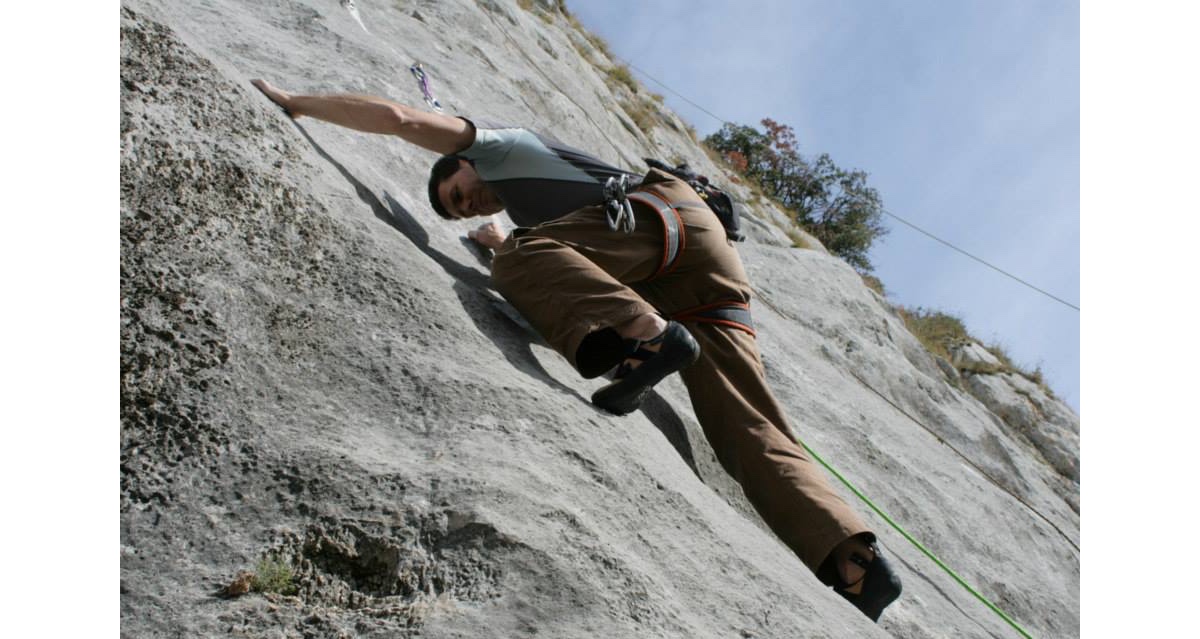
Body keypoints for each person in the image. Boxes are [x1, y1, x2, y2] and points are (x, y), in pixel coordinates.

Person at [250, 79, 902, 621]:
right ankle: (850, 558)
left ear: (465, 164)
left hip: (660, 225)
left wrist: (297, 103)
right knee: (744, 425)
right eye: (456, 210)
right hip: (700, 275)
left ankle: (642, 341)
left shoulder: (502, 147)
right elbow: (552, 253)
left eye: (457, 192)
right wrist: (499, 242)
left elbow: (397, 118)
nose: (466, 202)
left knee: (523, 260)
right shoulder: (535, 218)